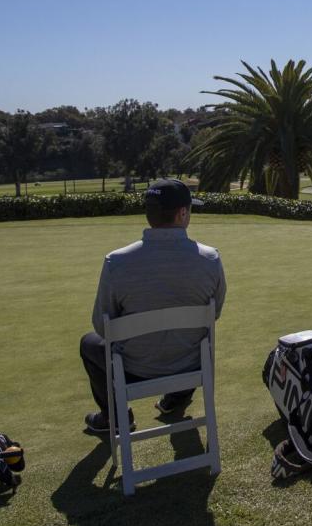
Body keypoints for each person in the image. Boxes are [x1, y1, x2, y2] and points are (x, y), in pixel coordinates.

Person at [79, 179, 227, 433]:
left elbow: (102, 327)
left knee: (89, 343)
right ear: (182, 213)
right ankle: (176, 398)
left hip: (134, 370)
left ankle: (114, 419)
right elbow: (214, 314)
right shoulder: (210, 259)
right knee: (194, 337)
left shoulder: (116, 262)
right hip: (191, 365)